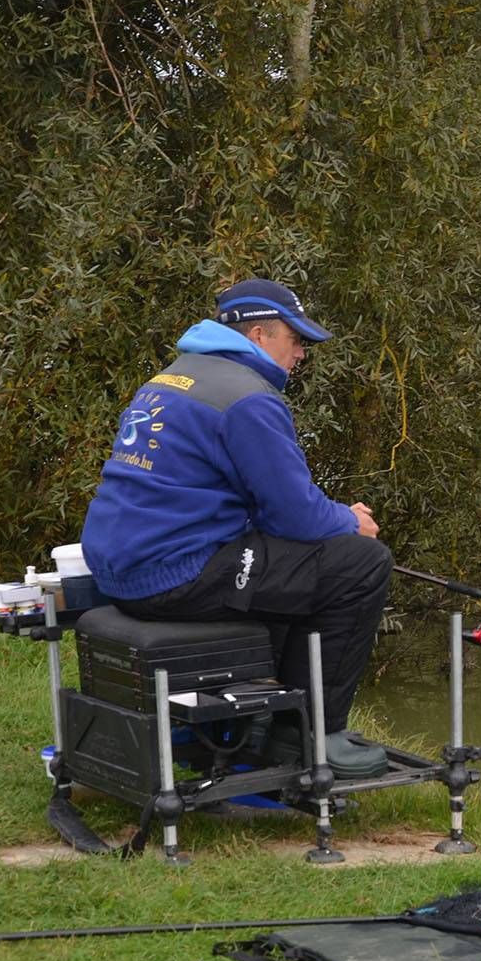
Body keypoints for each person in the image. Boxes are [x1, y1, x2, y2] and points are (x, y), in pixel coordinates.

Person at [80, 278, 390, 778]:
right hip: (173, 575)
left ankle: (270, 722)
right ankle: (314, 736)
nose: (302, 355)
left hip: (118, 571)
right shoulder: (248, 398)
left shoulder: (172, 378)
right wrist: (349, 520)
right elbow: (296, 515)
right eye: (297, 341)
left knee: (298, 563)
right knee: (361, 564)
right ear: (262, 335)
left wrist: (324, 518)